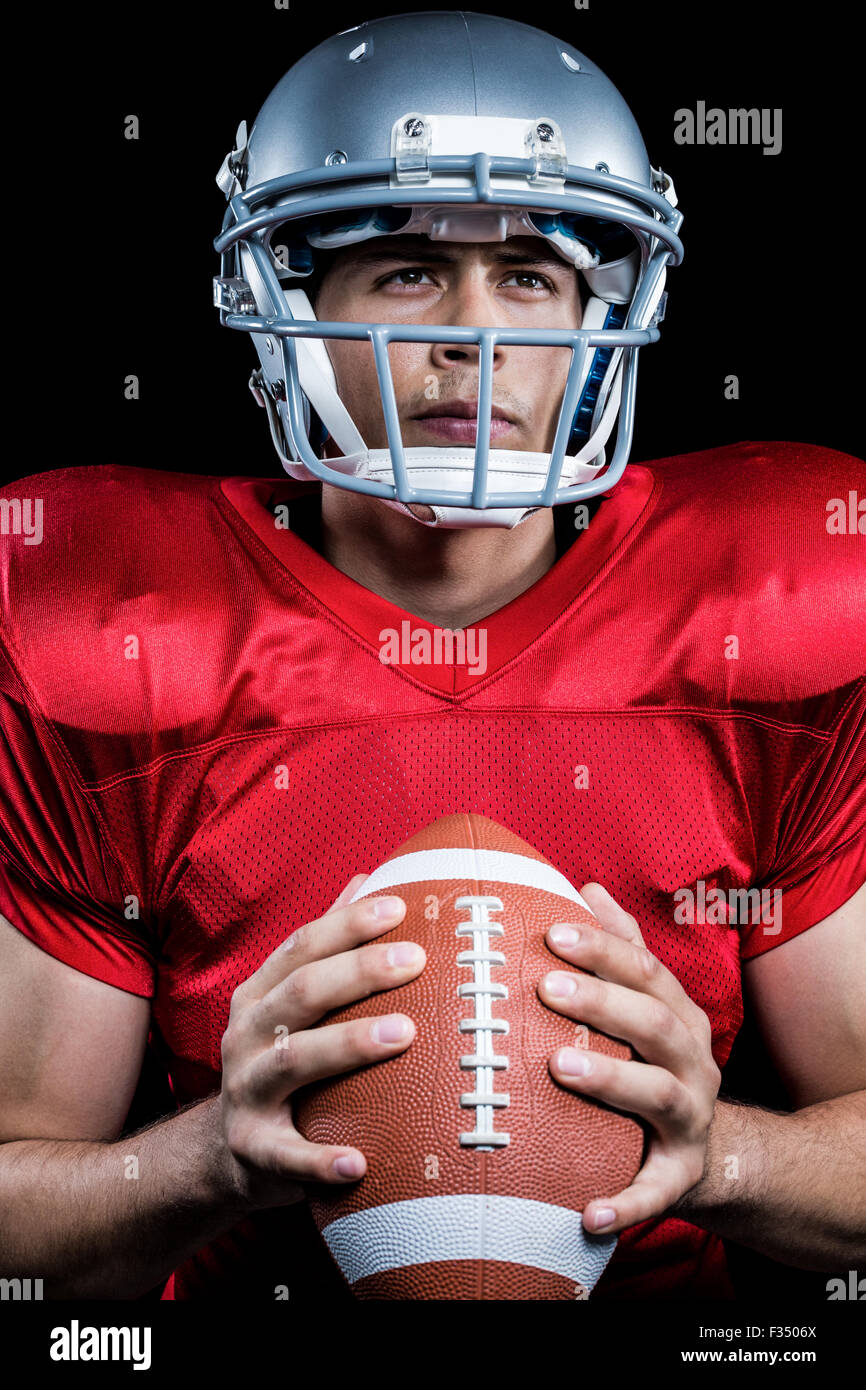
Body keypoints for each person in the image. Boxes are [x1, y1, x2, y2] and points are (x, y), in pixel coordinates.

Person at [0, 11, 863, 1302]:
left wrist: (719, 1151)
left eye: (529, 271)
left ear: (602, 304)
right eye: (404, 269)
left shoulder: (769, 603)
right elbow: (21, 1196)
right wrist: (207, 1161)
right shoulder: (113, 624)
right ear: (291, 302)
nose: (477, 331)